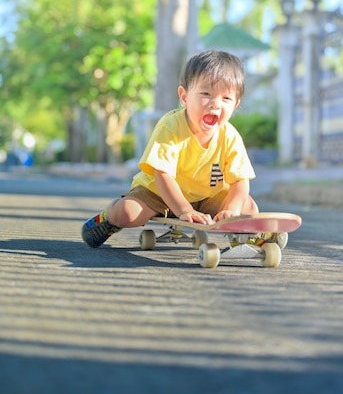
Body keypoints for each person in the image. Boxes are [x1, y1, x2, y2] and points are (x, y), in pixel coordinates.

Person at [81, 49, 259, 248]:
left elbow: (240, 180)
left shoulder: (229, 135)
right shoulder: (171, 126)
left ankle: (253, 236)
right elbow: (162, 174)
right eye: (206, 93)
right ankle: (106, 219)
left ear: (235, 105)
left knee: (248, 206)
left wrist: (232, 210)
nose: (215, 104)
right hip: (158, 192)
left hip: (206, 196)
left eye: (226, 98)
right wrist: (183, 209)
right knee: (127, 213)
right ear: (184, 97)